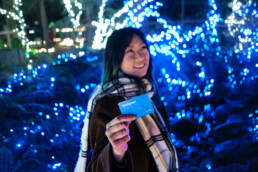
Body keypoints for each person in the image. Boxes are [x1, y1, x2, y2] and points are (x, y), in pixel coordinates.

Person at [75, 27, 179, 172]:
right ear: (115, 58)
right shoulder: (106, 103)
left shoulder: (149, 92)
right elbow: (96, 166)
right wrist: (116, 152)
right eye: (130, 51)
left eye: (143, 47)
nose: (140, 56)